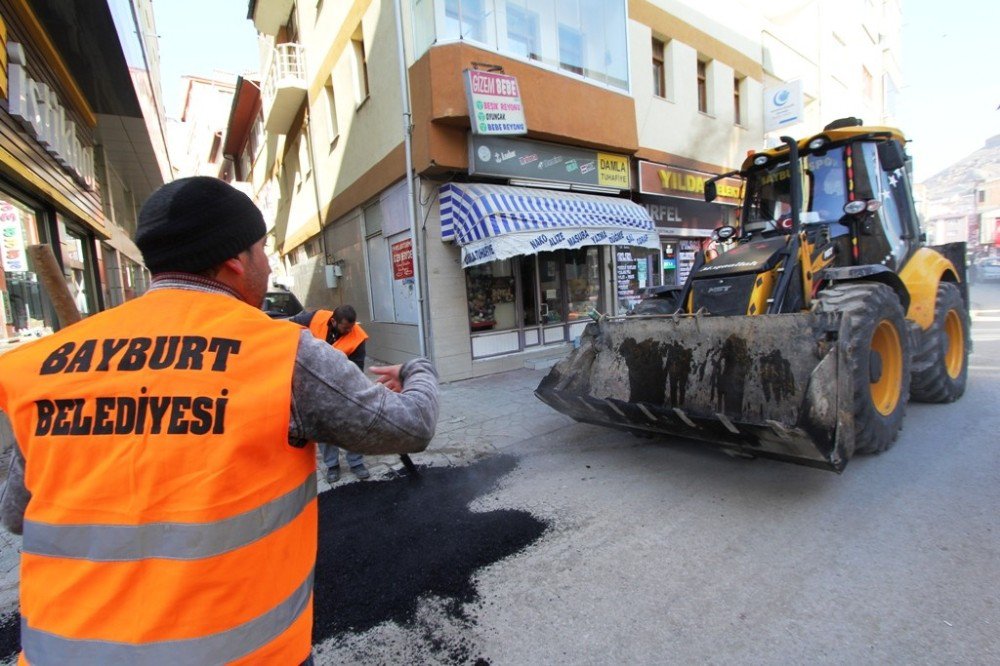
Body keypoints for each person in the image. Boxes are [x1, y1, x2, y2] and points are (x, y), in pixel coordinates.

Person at [0, 177, 439, 665]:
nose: (269, 263)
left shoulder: (43, 366)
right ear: (235, 260)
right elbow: (411, 425)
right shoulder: (279, 355)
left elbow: (17, 515)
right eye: (263, 249)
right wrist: (417, 369)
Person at [290, 304, 370, 482]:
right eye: (345, 327)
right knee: (324, 426)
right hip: (315, 384)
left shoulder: (357, 338)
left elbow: (356, 370)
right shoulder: (315, 318)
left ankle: (356, 462)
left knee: (352, 424)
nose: (350, 330)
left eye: (352, 327)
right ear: (333, 321)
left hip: (343, 385)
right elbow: (290, 325)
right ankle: (332, 465)